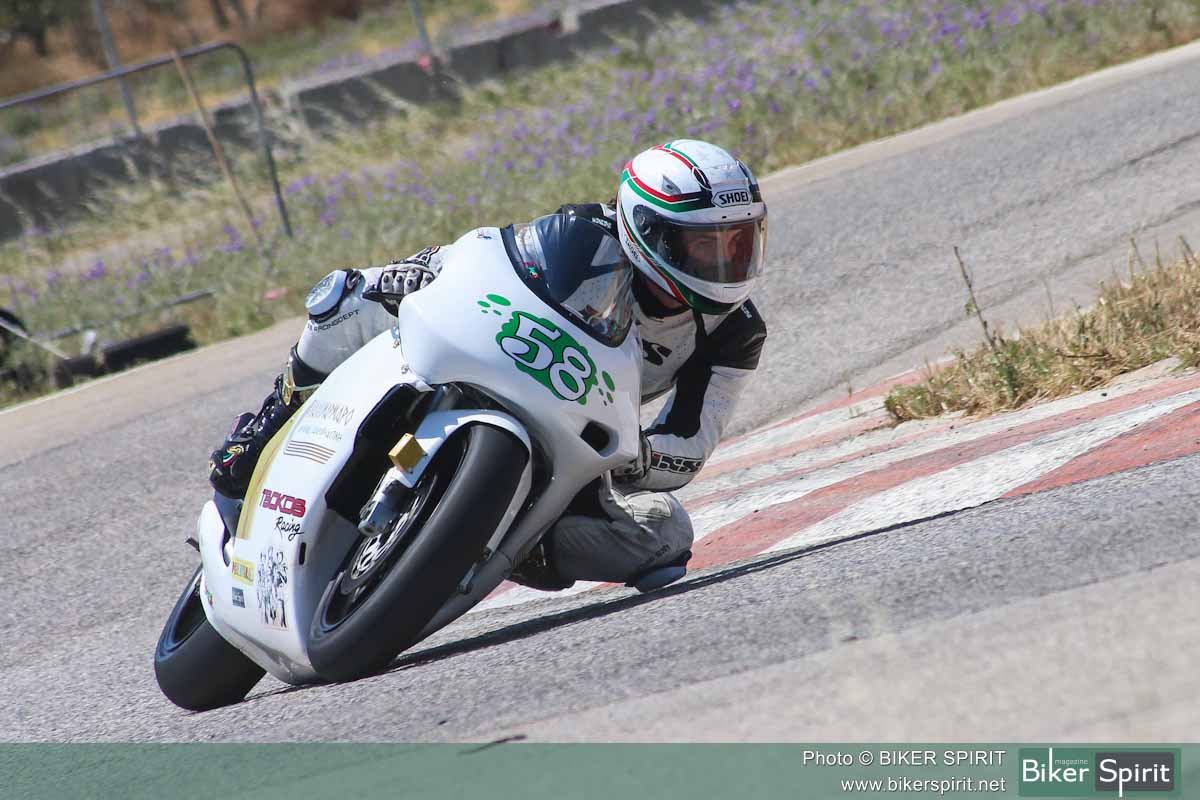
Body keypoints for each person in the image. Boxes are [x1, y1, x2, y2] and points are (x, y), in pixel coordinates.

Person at [209, 139, 767, 592]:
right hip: (480, 363)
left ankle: (512, 543)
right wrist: (421, 273)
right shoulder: (582, 234)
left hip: (567, 439)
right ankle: (259, 438)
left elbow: (691, 444)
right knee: (347, 298)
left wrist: (636, 455)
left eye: (740, 243)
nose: (728, 262)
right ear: (651, 232)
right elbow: (485, 256)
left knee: (665, 534)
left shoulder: (735, 333)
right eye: (708, 246)